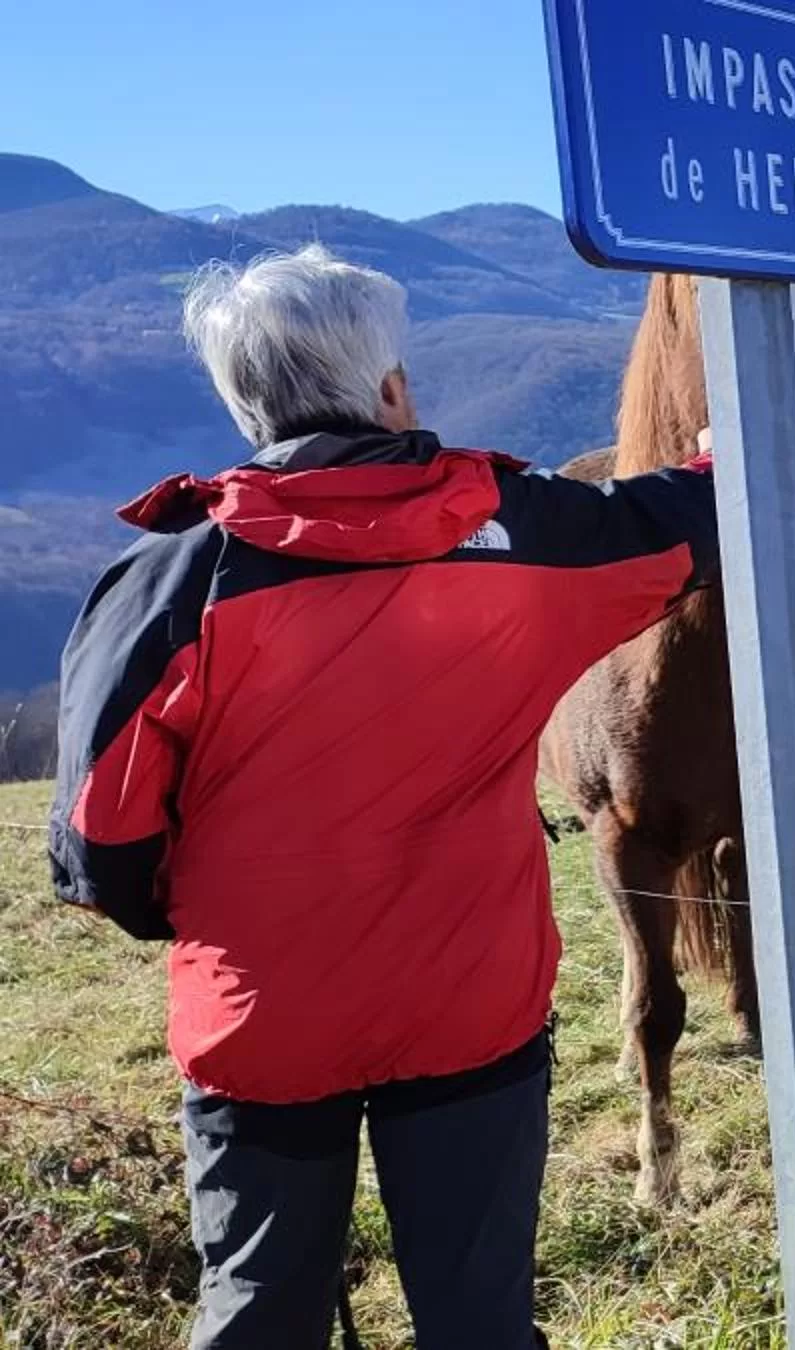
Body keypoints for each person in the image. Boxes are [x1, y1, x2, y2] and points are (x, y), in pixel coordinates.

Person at [45, 245, 726, 1349]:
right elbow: (675, 530)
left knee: (260, 1316)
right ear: (394, 391)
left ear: (245, 408)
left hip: (263, 1025)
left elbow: (102, 849)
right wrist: (731, 469)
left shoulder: (168, 587)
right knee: (478, 1319)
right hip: (472, 1008)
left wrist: (218, 915)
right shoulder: (523, 531)